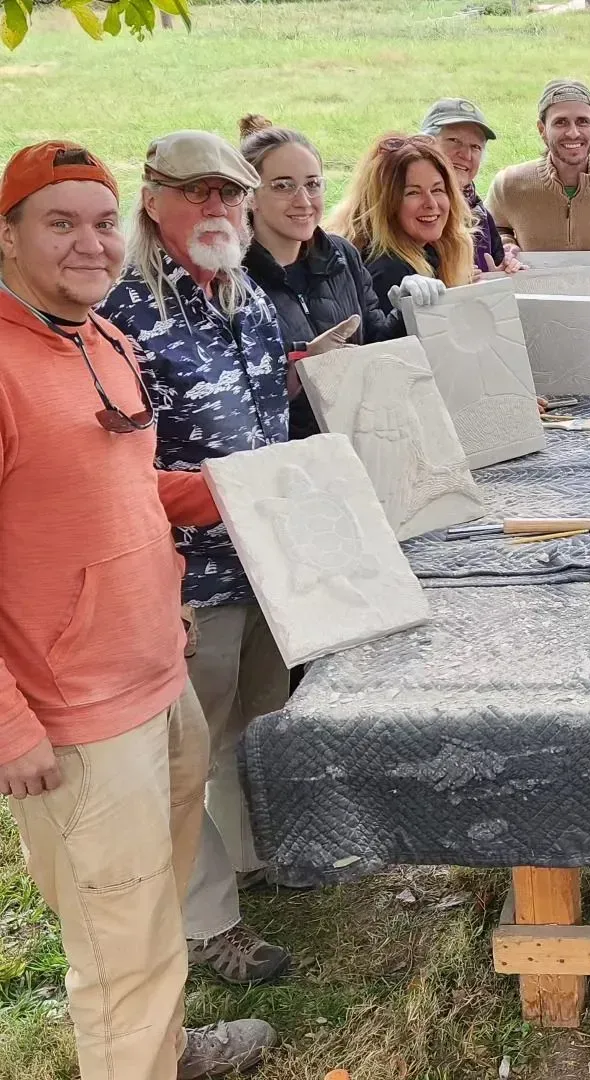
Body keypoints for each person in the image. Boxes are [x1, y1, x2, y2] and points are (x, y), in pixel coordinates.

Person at [0, 140, 274, 1079]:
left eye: (100, 220)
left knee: (153, 906)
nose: (89, 243)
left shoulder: (100, 338)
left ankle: (165, 1048)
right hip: (77, 714)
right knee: (117, 943)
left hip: (159, 671)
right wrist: (10, 725)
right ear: (8, 236)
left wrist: (225, 491)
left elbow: (120, 490)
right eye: (59, 222)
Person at [99, 130, 295, 989]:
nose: (216, 208)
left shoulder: (243, 294)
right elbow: (106, 476)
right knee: (186, 751)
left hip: (265, 563)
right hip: (185, 576)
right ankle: (208, 922)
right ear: (152, 199)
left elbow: (259, 418)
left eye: (229, 193)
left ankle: (254, 863)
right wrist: (214, 495)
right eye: (195, 193)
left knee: (249, 724)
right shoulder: (119, 312)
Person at [238, 116, 435, 439]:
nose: (303, 201)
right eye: (283, 186)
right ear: (250, 196)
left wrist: (407, 310)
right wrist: (304, 361)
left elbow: (375, 345)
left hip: (364, 443)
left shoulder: (341, 256)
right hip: (294, 460)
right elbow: (239, 399)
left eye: (313, 184)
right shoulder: (233, 280)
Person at [485, 80, 590, 279]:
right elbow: (493, 230)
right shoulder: (509, 185)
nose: (573, 133)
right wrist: (506, 246)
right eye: (560, 122)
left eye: (583, 121)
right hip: (534, 305)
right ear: (542, 130)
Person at [328, 132, 471, 314]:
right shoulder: (389, 272)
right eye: (413, 192)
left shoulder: (431, 249)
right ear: (385, 204)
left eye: (437, 190)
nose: (431, 204)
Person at [420, 96, 523, 274]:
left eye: (475, 147)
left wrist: (505, 269)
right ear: (425, 144)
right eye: (454, 141)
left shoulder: (478, 210)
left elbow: (496, 264)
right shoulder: (415, 209)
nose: (466, 155)